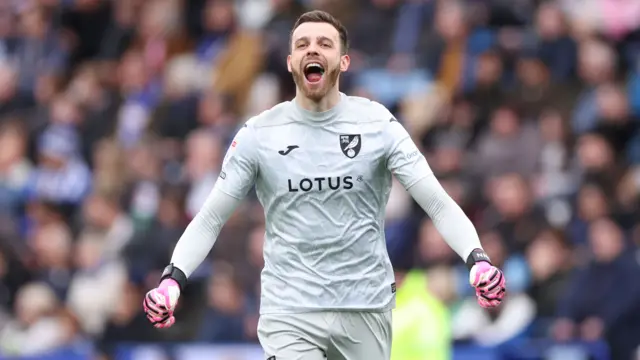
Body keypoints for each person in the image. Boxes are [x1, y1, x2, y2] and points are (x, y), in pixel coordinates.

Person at [142, 10, 506, 360]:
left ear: (344, 62)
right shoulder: (259, 134)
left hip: (365, 306)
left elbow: (437, 202)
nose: (312, 50)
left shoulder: (377, 124)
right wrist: (172, 281)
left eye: (324, 43)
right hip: (290, 308)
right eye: (302, 44)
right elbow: (210, 218)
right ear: (289, 62)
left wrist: (477, 260)